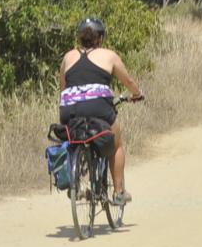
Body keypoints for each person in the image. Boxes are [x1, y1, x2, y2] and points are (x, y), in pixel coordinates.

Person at [59, 17, 143, 206]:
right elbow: (128, 81)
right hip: (98, 108)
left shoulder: (68, 56)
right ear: (100, 38)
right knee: (116, 144)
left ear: (80, 38)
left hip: (69, 109)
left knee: (73, 138)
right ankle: (119, 192)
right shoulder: (109, 55)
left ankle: (75, 179)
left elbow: (63, 87)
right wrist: (137, 94)